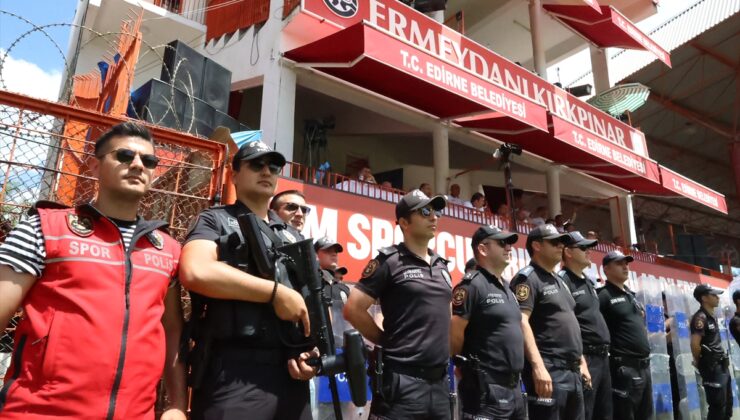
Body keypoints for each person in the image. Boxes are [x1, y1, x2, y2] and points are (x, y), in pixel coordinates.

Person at [0, 122, 186, 419]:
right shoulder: (44, 228)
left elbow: (171, 330)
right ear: (94, 166)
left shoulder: (168, 249)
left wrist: (176, 404)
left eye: (148, 160)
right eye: (124, 156)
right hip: (39, 411)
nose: (138, 164)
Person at [179, 140, 316, 420]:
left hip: (291, 376)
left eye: (273, 166)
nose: (266, 171)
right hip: (234, 373)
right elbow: (195, 271)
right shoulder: (215, 220)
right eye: (256, 164)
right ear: (235, 175)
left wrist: (310, 353)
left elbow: (310, 301)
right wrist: (274, 293)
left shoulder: (293, 235)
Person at [344, 189, 452, 419]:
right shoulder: (389, 261)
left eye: (436, 212)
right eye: (425, 212)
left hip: (440, 384)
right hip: (402, 384)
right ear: (404, 222)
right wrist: (385, 340)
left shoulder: (443, 266)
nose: (434, 217)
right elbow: (353, 308)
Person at [510, 224, 586, 420]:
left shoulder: (559, 280)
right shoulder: (527, 278)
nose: (560, 246)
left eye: (561, 242)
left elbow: (571, 325)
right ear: (536, 245)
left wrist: (581, 361)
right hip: (550, 370)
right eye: (554, 242)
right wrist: (538, 366)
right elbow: (521, 321)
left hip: (573, 371)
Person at [450, 225, 525, 419]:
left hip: (515, 388)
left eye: (509, 243)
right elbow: (455, 334)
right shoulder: (471, 285)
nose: (509, 248)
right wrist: (462, 366)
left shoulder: (507, 287)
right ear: (483, 249)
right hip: (487, 390)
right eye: (502, 243)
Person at [559, 232, 611, 420]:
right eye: (583, 248)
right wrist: (581, 361)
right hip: (586, 358)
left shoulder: (587, 281)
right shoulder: (563, 280)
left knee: (604, 414)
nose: (589, 251)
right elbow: (567, 326)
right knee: (585, 413)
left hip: (603, 358)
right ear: (568, 252)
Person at [597, 251, 652, 420]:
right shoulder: (603, 295)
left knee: (646, 416)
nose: (625, 266)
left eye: (626, 263)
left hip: (644, 367)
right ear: (606, 269)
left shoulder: (631, 295)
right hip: (624, 368)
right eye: (619, 263)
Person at [691, 284, 732, 420]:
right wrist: (699, 362)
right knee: (717, 407)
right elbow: (695, 344)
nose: (717, 297)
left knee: (727, 407)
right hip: (712, 368)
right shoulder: (700, 318)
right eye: (713, 295)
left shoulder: (711, 316)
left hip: (721, 366)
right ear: (704, 298)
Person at [314, 237, 351, 315]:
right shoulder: (311, 285)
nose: (334, 254)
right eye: (328, 251)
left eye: (336, 252)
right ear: (316, 255)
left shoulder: (344, 289)